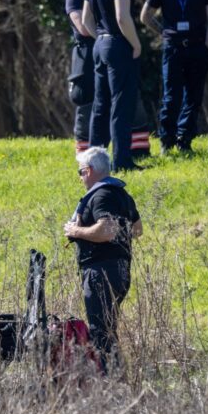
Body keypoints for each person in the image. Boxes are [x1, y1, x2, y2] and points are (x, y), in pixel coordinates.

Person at [63, 148, 141, 374]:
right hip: (120, 271)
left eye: (80, 172)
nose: (80, 178)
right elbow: (137, 229)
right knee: (107, 329)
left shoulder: (100, 195)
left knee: (100, 333)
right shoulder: (122, 194)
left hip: (100, 272)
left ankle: (110, 381)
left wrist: (77, 231)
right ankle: (118, 378)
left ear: (89, 171)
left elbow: (106, 230)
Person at [140, 0, 208, 154]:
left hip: (197, 47)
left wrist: (207, 47)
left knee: (194, 97)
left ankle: (185, 141)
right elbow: (145, 16)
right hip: (173, 48)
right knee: (171, 97)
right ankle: (167, 141)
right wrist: (164, 32)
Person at [82, 0, 143, 172]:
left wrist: (101, 38)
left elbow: (86, 19)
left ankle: (92, 161)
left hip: (100, 45)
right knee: (121, 104)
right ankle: (122, 161)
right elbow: (122, 17)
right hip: (118, 44)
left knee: (100, 105)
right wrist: (135, 44)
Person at [65, 0, 106, 152]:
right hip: (86, 55)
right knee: (85, 99)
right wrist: (106, 33)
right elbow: (82, 27)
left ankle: (135, 150)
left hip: (107, 50)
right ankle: (85, 153)